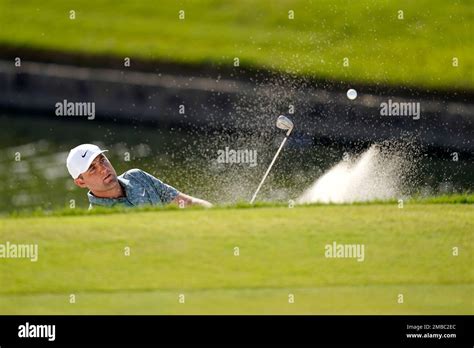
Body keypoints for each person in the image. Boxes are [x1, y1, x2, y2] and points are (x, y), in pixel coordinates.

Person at [66, 144, 212, 209]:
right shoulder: (97, 217)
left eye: (102, 160)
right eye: (92, 168)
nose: (103, 169)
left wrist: (215, 214)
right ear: (80, 182)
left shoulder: (137, 177)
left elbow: (187, 203)